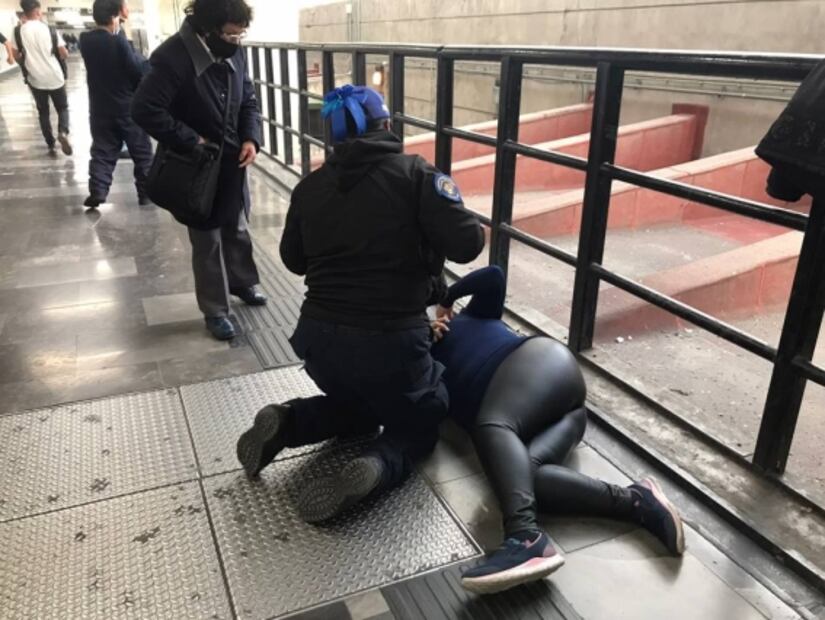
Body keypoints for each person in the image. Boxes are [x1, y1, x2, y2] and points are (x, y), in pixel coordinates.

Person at [235, 84, 485, 522]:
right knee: (424, 414)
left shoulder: (310, 187)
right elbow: (468, 244)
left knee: (363, 405)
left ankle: (289, 422)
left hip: (319, 346)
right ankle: (376, 465)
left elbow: (293, 261)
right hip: (391, 346)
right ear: (386, 126)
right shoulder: (416, 176)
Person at [423, 265, 685, 593]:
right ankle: (637, 501)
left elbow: (493, 276)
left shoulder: (470, 316)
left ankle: (524, 535)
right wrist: (421, 340)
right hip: (564, 415)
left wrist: (446, 300)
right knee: (527, 482)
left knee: (491, 425)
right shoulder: (418, 360)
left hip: (542, 364)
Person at [132, 0, 266, 341]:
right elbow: (145, 109)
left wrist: (251, 136)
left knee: (236, 226)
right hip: (196, 164)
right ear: (207, 30)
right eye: (231, 35)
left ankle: (242, 283)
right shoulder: (171, 57)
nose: (237, 42)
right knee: (207, 239)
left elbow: (247, 98)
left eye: (241, 35)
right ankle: (215, 311)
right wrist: (191, 139)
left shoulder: (235, 51)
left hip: (234, 157)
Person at [80, 0, 153, 209]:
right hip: (126, 107)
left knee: (102, 150)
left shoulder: (85, 40)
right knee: (142, 152)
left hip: (99, 107)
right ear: (115, 16)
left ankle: (98, 190)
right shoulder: (118, 42)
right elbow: (135, 70)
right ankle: (145, 194)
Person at [12, 0, 71, 157]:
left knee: (43, 111)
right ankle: (63, 132)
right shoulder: (49, 29)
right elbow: (64, 53)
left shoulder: (18, 31)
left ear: (24, 13)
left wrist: (27, 61)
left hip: (35, 79)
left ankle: (50, 142)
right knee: (62, 107)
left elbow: (16, 55)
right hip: (55, 76)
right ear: (38, 12)